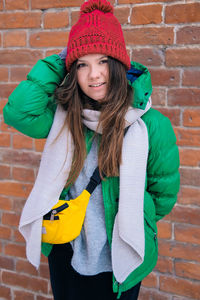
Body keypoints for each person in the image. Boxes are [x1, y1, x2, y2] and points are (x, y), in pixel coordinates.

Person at [3, 0, 180, 299]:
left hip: (120, 253)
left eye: (102, 61)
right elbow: (18, 112)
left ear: (118, 64)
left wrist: (133, 219)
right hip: (66, 248)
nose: (94, 74)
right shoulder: (65, 115)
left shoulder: (151, 126)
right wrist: (63, 58)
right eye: (82, 64)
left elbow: (163, 195)